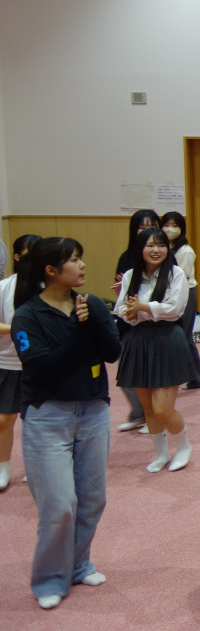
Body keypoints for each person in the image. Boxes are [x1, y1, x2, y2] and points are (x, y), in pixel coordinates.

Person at [12, 237, 121, 610]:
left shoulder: (91, 304)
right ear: (51, 270)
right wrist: (78, 330)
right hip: (48, 415)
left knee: (91, 499)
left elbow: (112, 353)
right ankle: (48, 578)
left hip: (93, 411)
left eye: (81, 258)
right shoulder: (28, 316)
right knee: (59, 504)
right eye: (74, 260)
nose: (82, 265)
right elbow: (44, 368)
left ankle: (77, 565)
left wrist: (95, 323)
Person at [115, 228, 194, 473]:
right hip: (139, 340)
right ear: (140, 249)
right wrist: (134, 312)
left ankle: (183, 446)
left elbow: (175, 309)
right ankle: (161, 454)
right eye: (149, 245)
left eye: (161, 245)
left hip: (167, 338)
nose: (156, 250)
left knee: (163, 408)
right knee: (148, 408)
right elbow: (121, 309)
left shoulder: (175, 273)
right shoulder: (130, 275)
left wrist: (143, 307)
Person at [0, 234, 41, 492]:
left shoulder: (49, 287)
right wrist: (19, 327)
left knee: (35, 419)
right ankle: (3, 467)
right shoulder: (4, 287)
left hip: (40, 362)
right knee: (4, 419)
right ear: (16, 257)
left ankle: (34, 467)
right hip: (7, 361)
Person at [112, 209, 160, 432]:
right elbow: (122, 293)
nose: (147, 230)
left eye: (152, 226)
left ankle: (154, 417)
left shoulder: (166, 257)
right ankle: (139, 413)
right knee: (127, 370)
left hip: (154, 321)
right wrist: (120, 291)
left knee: (153, 373)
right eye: (142, 226)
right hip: (130, 320)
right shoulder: (126, 256)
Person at [161, 212, 200, 389]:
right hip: (170, 294)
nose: (170, 229)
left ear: (182, 229)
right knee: (183, 337)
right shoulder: (164, 248)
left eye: (175, 226)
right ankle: (195, 377)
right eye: (166, 225)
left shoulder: (185, 251)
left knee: (183, 336)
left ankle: (192, 377)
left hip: (185, 293)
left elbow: (181, 277)